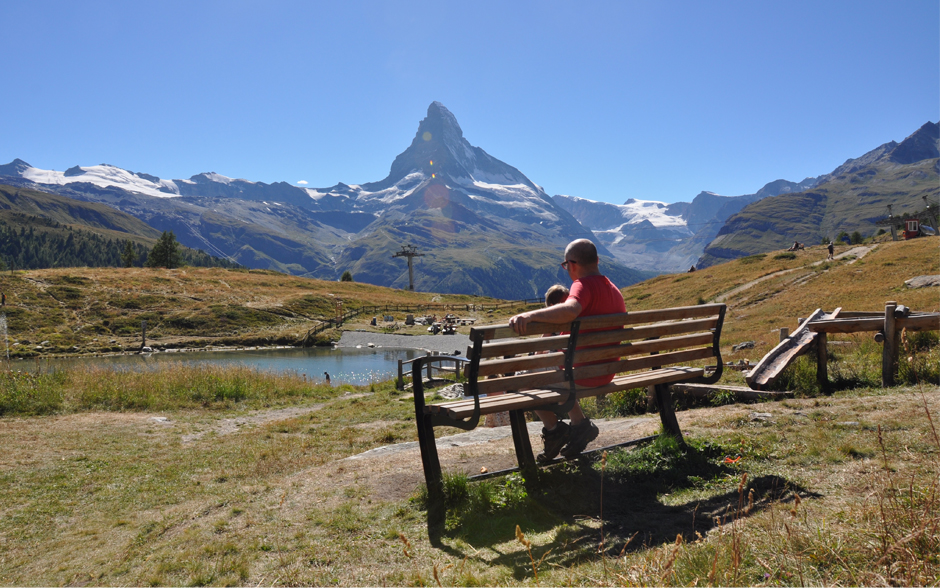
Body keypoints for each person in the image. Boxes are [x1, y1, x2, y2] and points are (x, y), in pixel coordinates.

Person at [509, 239, 626, 462]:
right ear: (597, 260)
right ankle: (579, 425)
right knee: (559, 369)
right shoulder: (613, 289)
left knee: (520, 378)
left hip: (581, 375)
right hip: (606, 371)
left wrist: (530, 315)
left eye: (565, 265)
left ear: (572, 265)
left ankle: (554, 430)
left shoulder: (582, 285)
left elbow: (571, 310)